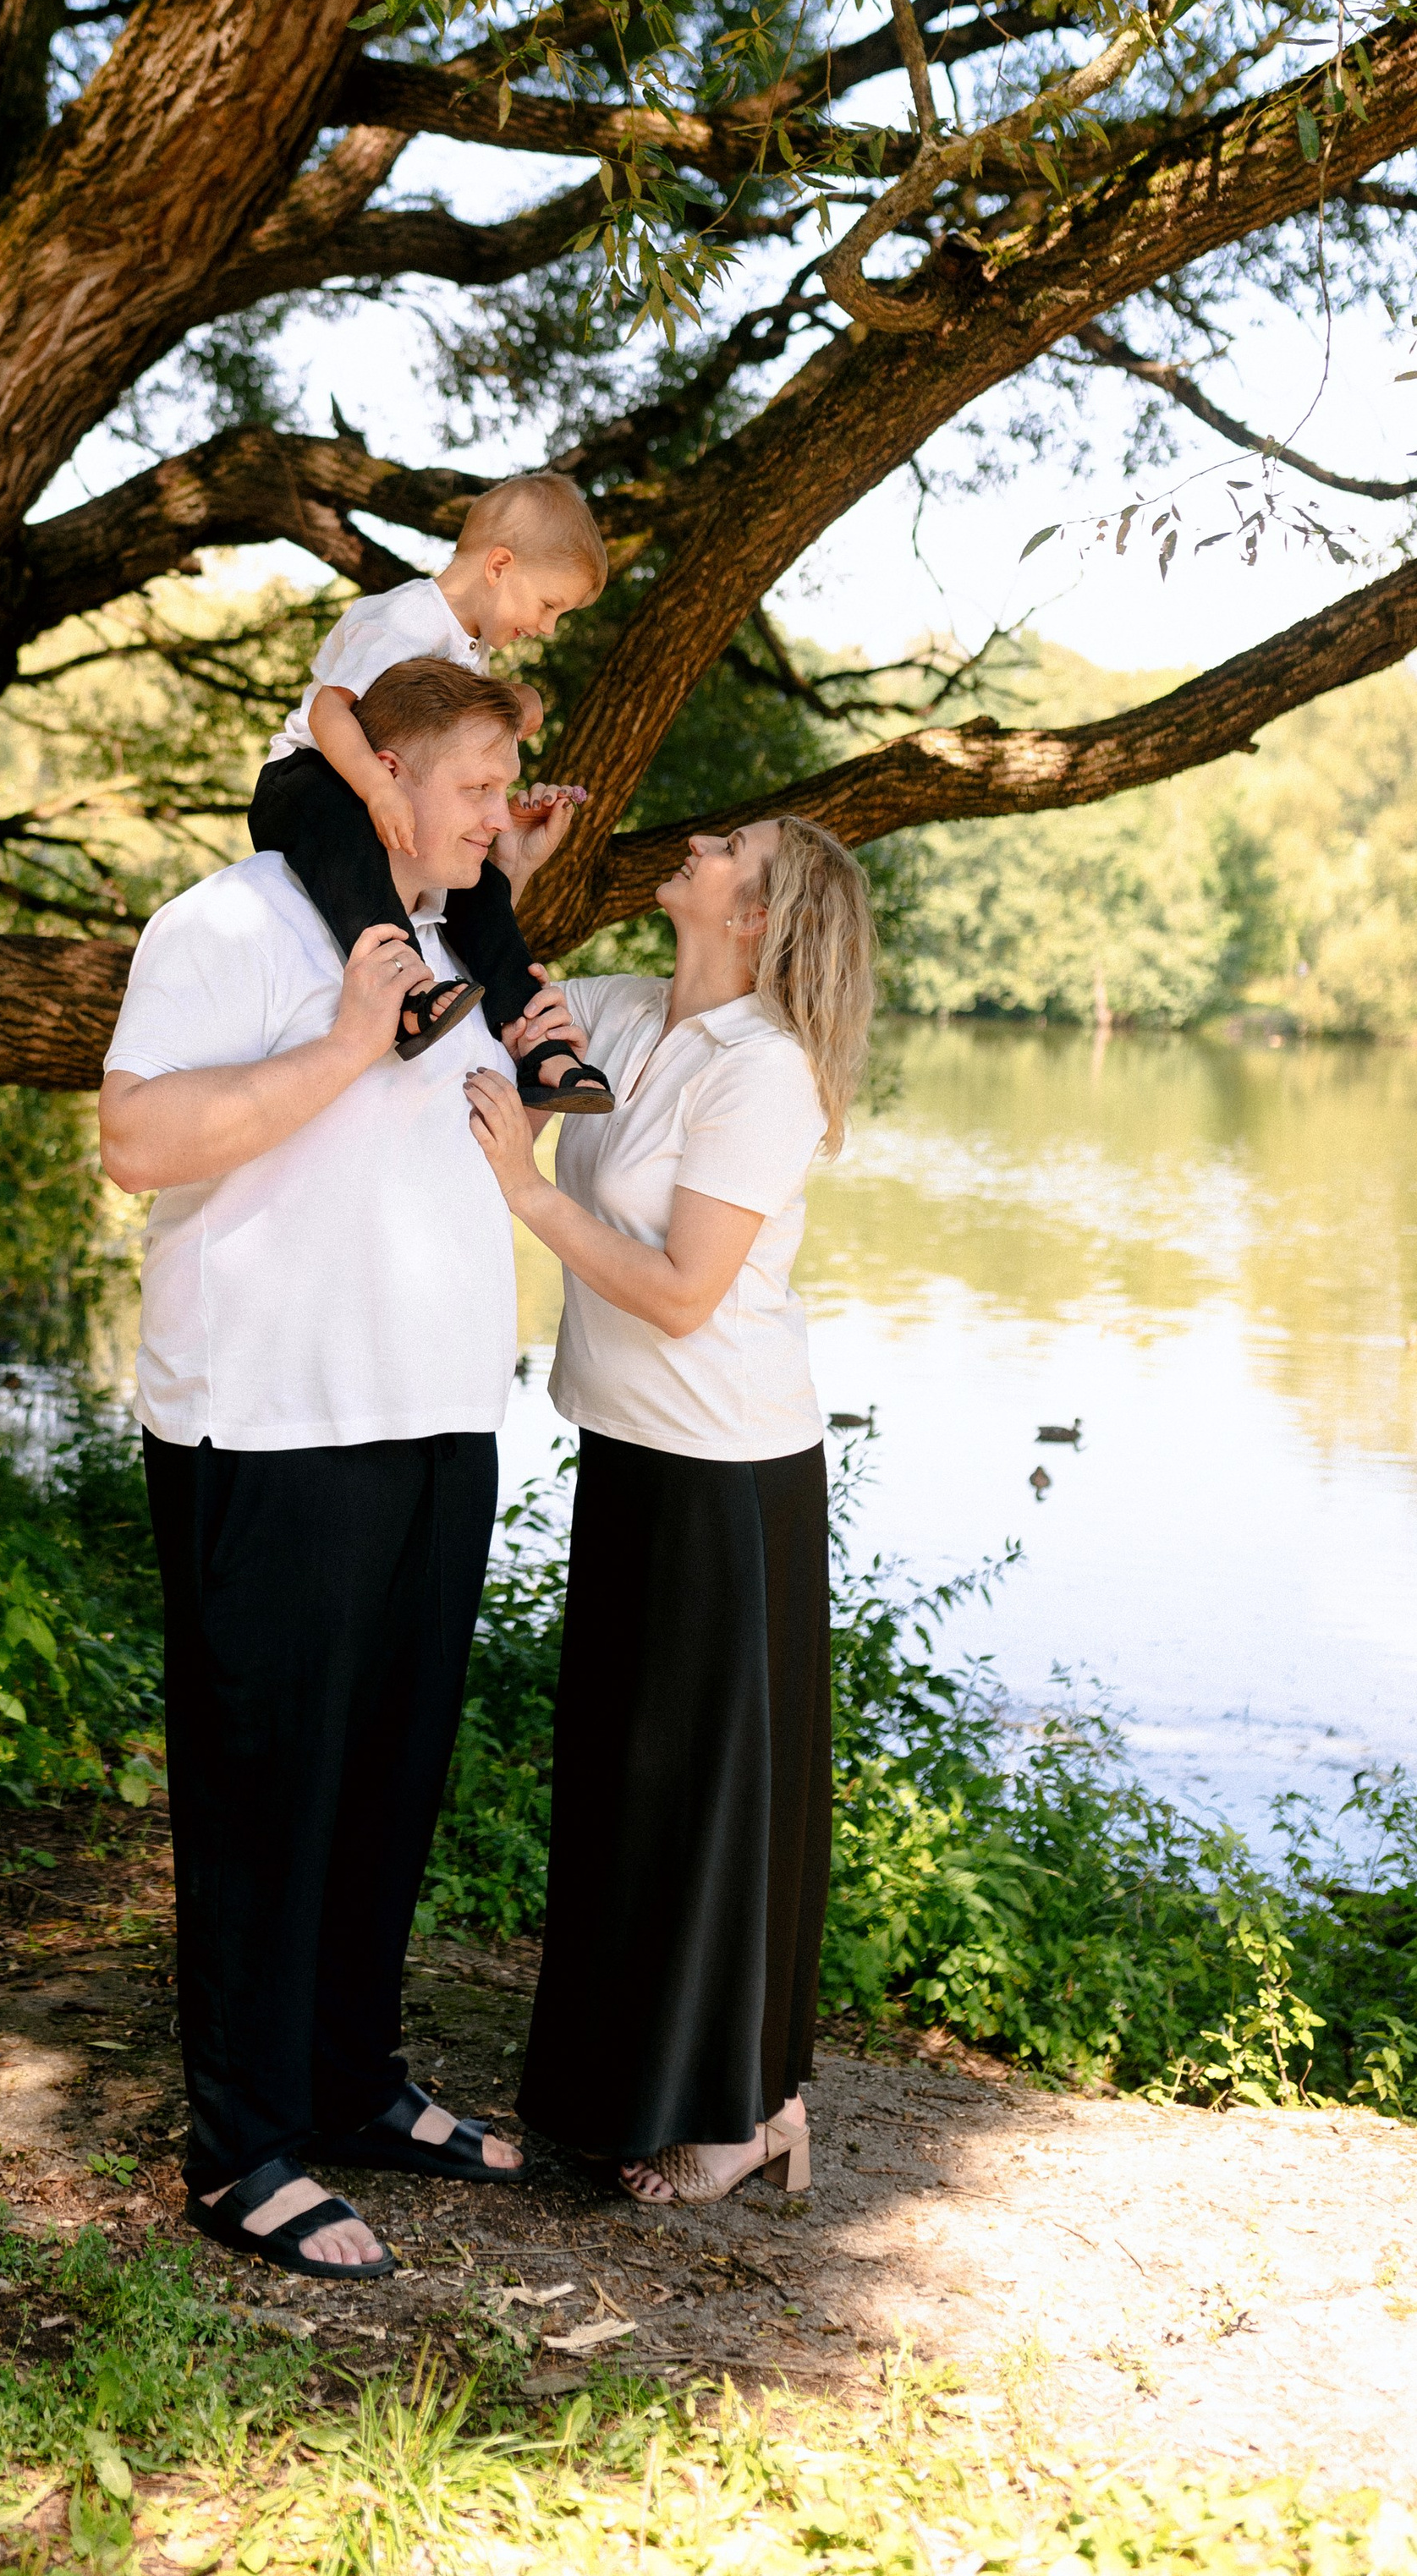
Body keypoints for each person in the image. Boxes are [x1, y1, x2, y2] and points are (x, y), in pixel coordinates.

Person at [99, 661, 574, 2281]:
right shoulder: (229, 926)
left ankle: (353, 2085)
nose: (497, 817)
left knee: (386, 1785)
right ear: (386, 781)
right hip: (274, 1423)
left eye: (507, 791)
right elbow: (136, 1142)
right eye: (474, 789)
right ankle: (241, 2150)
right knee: (265, 1797)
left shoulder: (455, 939)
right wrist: (348, 1048)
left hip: (436, 1415)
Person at [463, 815, 877, 2206]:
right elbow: (488, 984)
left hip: (731, 1470)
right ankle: (623, 2085)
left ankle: (751, 2105)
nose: (695, 840)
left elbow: (687, 1286)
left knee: (712, 1801)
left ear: (754, 914)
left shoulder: (767, 1072)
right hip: (633, 1446)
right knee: (626, 1784)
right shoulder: (635, 1015)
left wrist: (525, 1189)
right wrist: (500, 879)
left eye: (728, 846)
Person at [249, 474, 617, 1114]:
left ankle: (534, 1039)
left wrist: (492, 800)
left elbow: (454, 750)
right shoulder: (405, 618)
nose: (550, 628)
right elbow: (330, 714)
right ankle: (406, 994)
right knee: (351, 843)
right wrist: (375, 790)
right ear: (500, 566)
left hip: (378, 787)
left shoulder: (466, 653)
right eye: (549, 605)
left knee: (483, 893)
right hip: (310, 783)